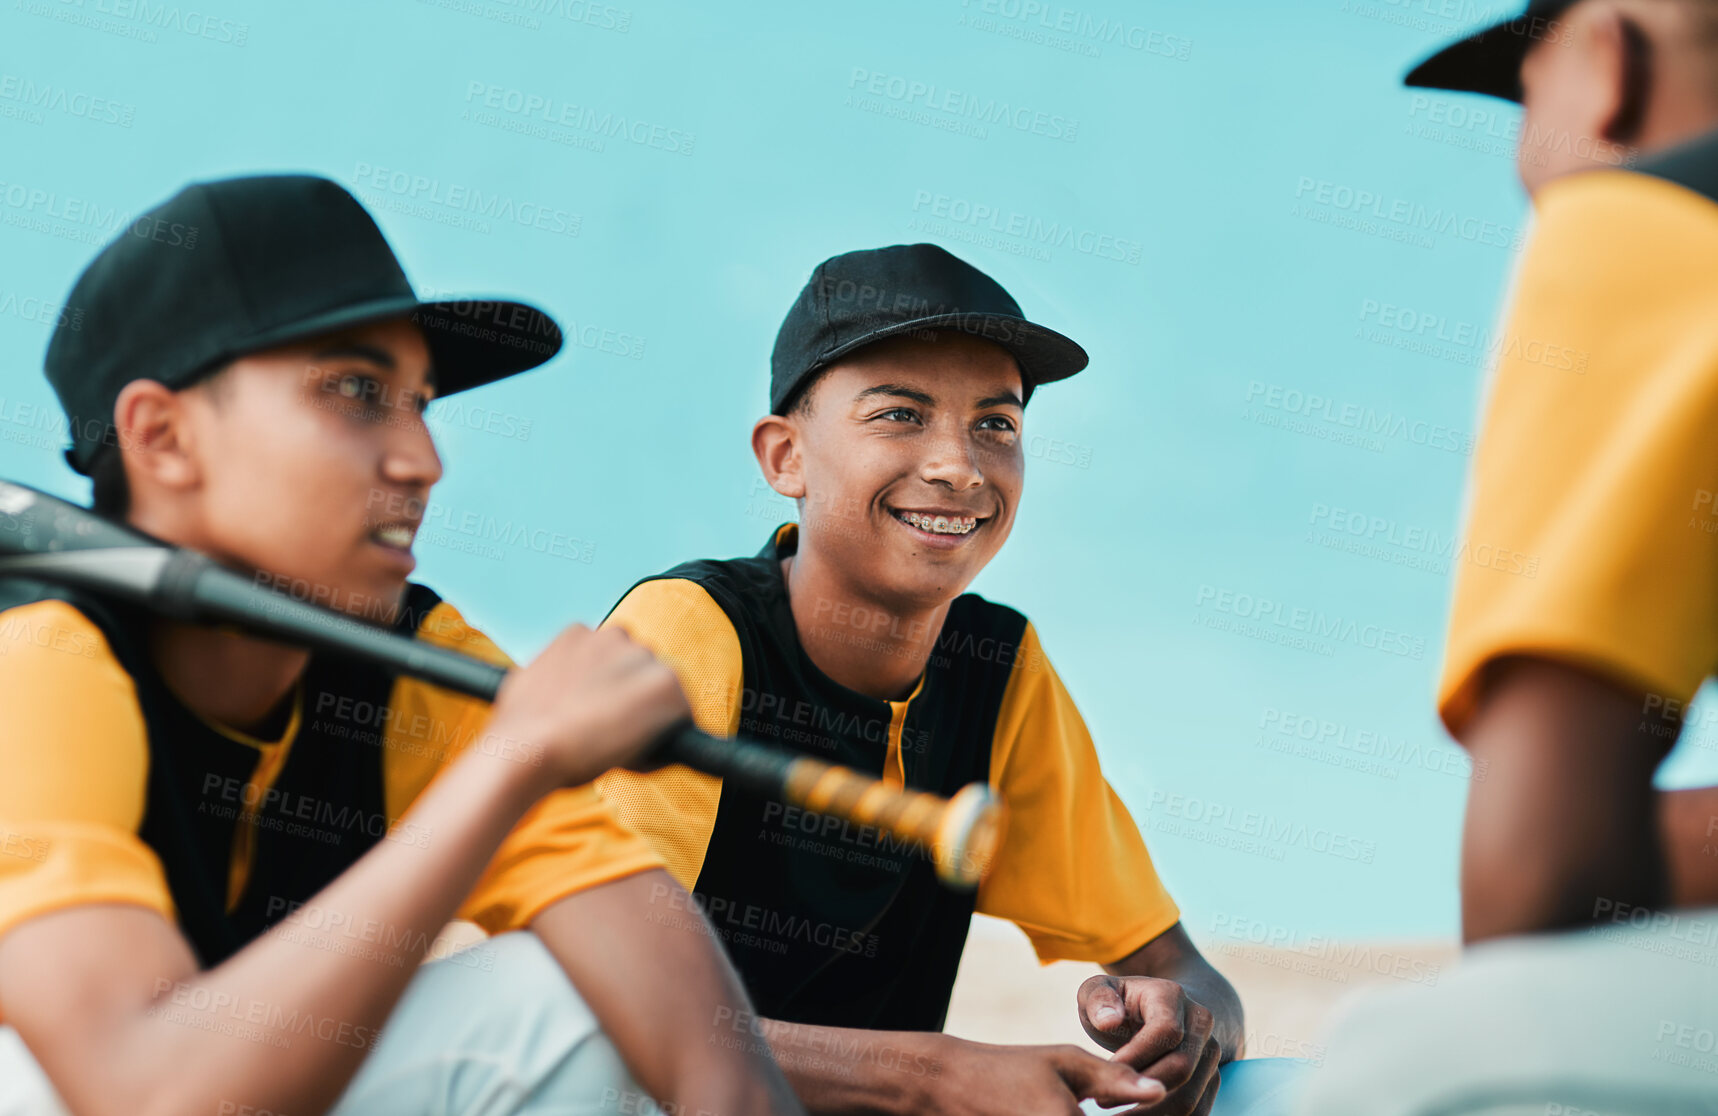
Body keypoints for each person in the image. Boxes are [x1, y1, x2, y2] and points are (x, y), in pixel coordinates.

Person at [0, 174, 804, 1116]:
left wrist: (509, 761)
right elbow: (150, 1096)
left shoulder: (410, 663)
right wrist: (515, 761)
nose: (423, 461)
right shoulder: (39, 655)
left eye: (420, 403)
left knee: (573, 1002)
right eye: (356, 392)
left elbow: (711, 1064)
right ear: (162, 436)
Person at [594, 243, 1309, 1115]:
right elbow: (593, 1017)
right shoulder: (694, 632)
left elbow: (1178, 967)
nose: (960, 466)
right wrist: (931, 1077)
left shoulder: (996, 668)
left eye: (995, 425)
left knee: (1295, 1093)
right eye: (899, 415)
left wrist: (1185, 1026)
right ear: (787, 458)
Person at [1298, 0, 1718, 1111]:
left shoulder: (1640, 224)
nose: (1527, 166)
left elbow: (1538, 885)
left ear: (1609, 69)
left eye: (1525, 104)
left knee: (1397, 1068)